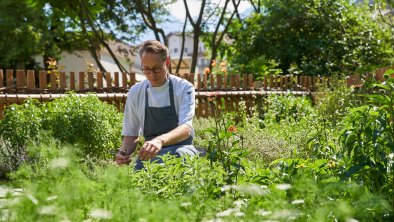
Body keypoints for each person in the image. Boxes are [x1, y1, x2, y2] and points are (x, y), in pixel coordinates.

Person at [115, 40, 198, 170]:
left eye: (157, 69)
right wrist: (123, 153)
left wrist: (159, 141)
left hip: (182, 149)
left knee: (179, 161)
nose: (152, 75)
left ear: (167, 62)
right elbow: (131, 134)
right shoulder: (136, 92)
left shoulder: (183, 88)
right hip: (149, 156)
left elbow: (186, 128)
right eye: (146, 69)